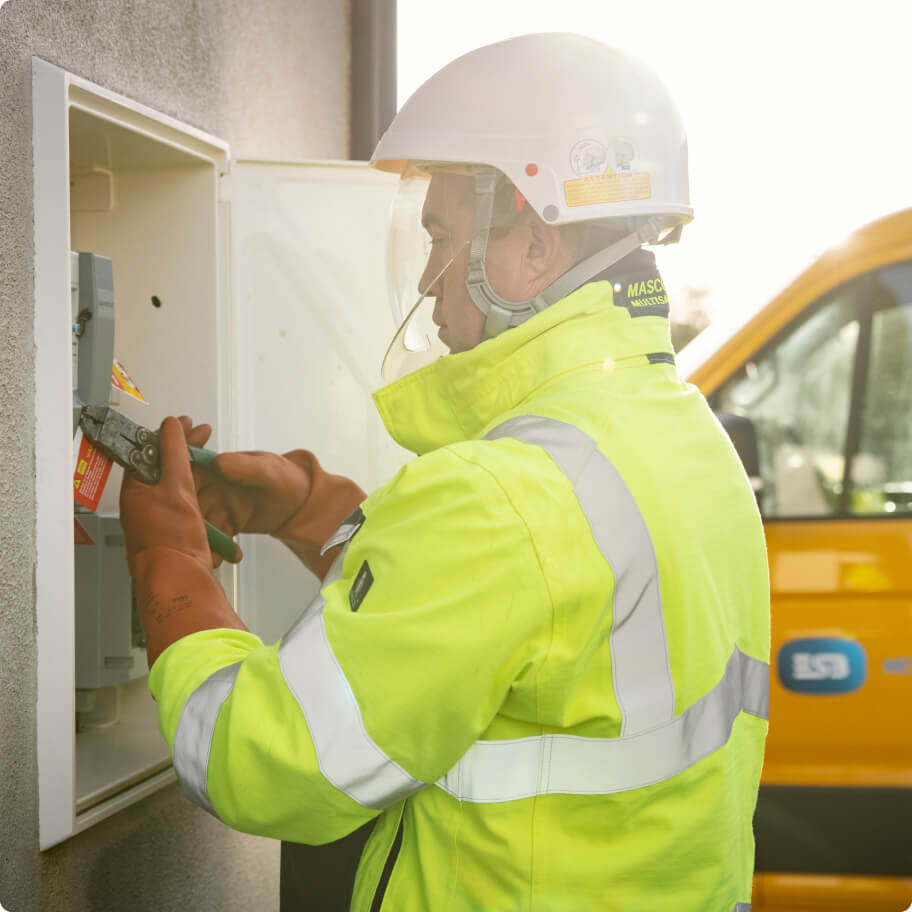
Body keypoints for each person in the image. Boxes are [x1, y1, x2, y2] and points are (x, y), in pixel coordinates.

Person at [120, 34, 770, 912]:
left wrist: (169, 565)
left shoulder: (504, 495)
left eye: (439, 236)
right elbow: (530, 629)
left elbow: (263, 763)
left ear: (534, 247)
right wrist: (315, 512)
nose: (427, 278)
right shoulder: (685, 440)